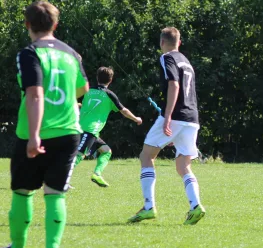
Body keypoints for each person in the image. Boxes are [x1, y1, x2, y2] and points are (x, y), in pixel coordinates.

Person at [0, 1, 89, 248]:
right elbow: (83, 86)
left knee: (22, 190)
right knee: (55, 192)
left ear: (28, 24)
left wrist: (35, 135)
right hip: (68, 131)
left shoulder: (29, 53)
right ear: (55, 24)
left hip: (34, 132)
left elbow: (35, 94)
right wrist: (63, 104)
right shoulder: (71, 53)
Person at [128, 27, 205, 225]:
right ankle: (195, 206)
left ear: (162, 42)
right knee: (183, 165)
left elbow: (174, 85)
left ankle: (148, 206)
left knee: (146, 155)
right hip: (192, 118)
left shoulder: (167, 58)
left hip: (176, 116)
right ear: (179, 42)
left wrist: (168, 116)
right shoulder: (186, 61)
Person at [75, 66, 143, 187]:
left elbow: (81, 104)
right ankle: (58, 178)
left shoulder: (88, 91)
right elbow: (124, 110)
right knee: (79, 155)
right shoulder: (109, 95)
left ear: (97, 78)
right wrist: (136, 119)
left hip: (85, 128)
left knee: (106, 151)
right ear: (110, 80)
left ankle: (97, 174)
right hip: (89, 130)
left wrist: (79, 106)